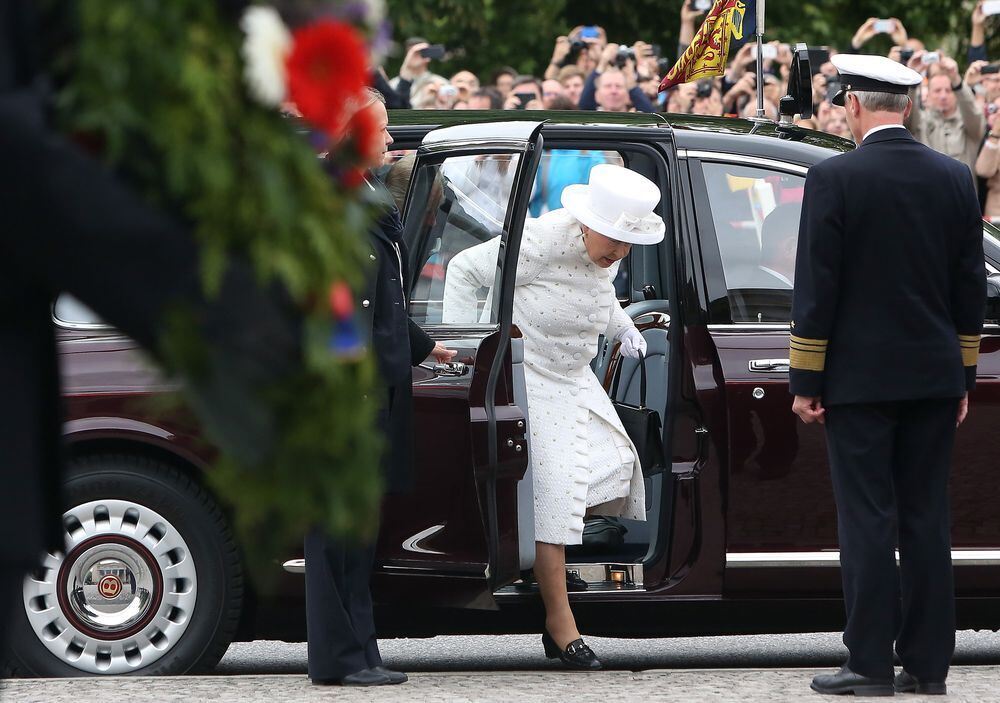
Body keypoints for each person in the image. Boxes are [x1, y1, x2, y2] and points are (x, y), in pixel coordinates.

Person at [793, 54, 986, 697]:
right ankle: (929, 664)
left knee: (868, 519)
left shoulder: (835, 178)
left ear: (852, 104)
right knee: (926, 519)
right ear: (906, 106)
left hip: (860, 379)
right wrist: (962, 375)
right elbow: (970, 289)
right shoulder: (955, 177)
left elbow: (816, 288)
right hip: (933, 375)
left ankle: (870, 660)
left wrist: (806, 380)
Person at [441, 164, 665, 670]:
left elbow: (598, 292)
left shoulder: (603, 251)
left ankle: (536, 566)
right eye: (617, 240)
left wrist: (623, 325)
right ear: (588, 223)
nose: (622, 253)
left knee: (614, 467)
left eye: (631, 244)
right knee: (558, 491)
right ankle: (560, 622)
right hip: (529, 377)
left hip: (573, 377)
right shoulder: (541, 240)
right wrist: (467, 350)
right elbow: (465, 272)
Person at [305, 89, 455, 687]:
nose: (392, 142)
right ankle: (337, 656)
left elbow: (384, 295)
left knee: (358, 528)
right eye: (383, 130)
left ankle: (359, 650)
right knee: (335, 528)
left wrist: (422, 347)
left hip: (373, 381)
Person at [905, 52, 986, 177]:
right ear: (928, 94)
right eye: (937, 91)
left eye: (948, 90)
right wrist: (912, 77)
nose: (943, 96)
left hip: (961, 193)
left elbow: (973, 113)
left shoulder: (967, 125)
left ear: (956, 93)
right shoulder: (920, 122)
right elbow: (906, 117)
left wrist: (956, 79)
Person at [389, 38, 446, 103]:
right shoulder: (393, 84)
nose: (413, 56)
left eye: (419, 53)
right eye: (410, 53)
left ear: (428, 55)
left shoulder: (441, 83)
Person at [975, 97, 1000, 221]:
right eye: (994, 110)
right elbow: (983, 170)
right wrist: (995, 133)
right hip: (995, 215)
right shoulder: (987, 135)